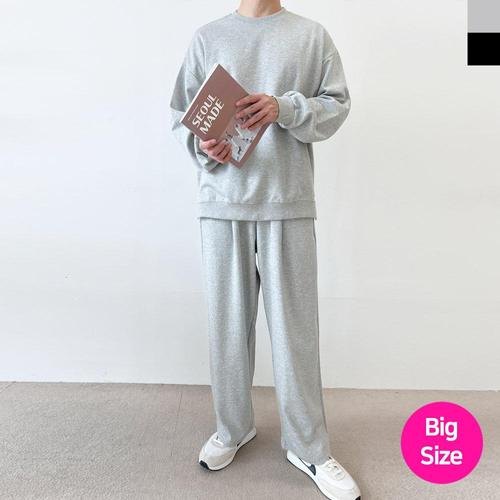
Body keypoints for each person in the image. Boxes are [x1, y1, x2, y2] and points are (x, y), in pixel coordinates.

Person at [170, 1, 361, 499]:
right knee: (228, 328)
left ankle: (309, 446)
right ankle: (232, 428)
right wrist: (203, 148)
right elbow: (182, 116)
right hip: (222, 204)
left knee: (296, 332)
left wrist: (286, 107)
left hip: (287, 201)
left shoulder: (311, 36)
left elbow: (337, 106)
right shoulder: (207, 37)